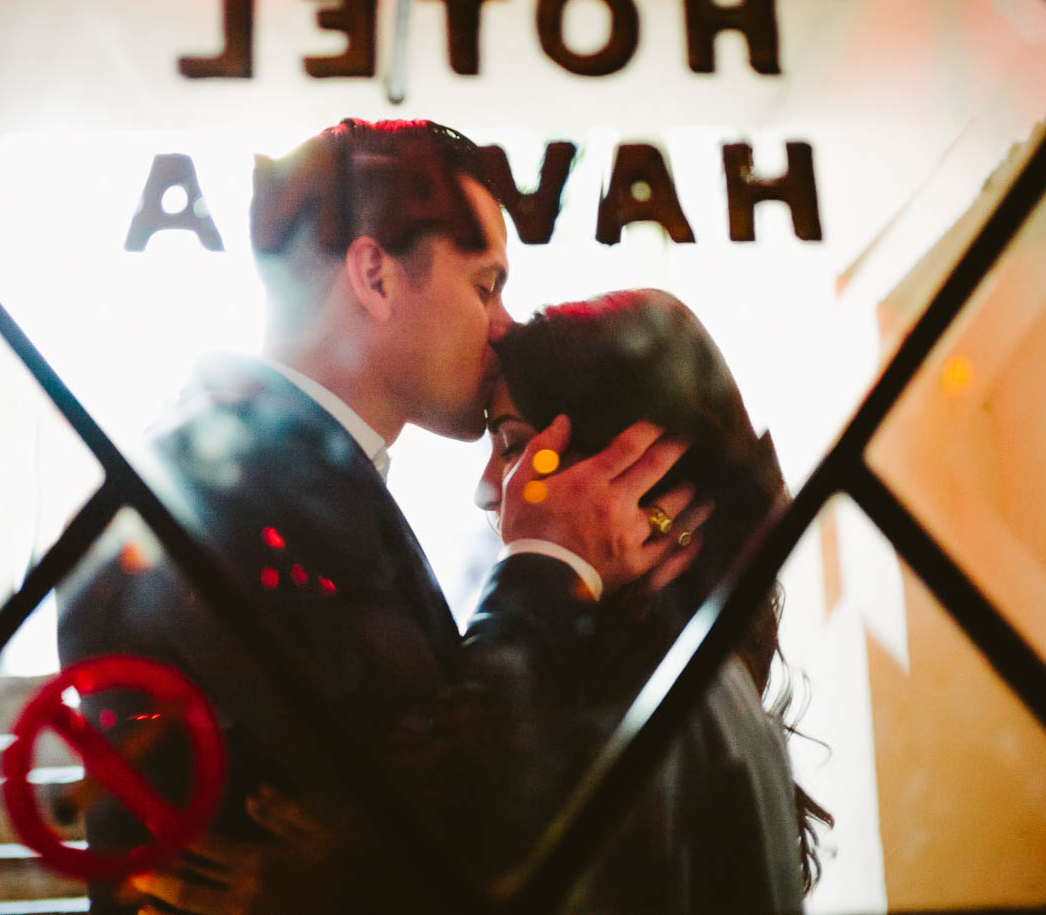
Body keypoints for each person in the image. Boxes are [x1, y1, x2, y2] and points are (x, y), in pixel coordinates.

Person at [55, 120, 701, 915]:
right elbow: (430, 824)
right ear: (375, 275)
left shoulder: (279, 475)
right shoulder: (212, 491)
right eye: (485, 286)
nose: (504, 328)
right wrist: (547, 567)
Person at [468, 287, 833, 912]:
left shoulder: (658, 711)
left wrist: (540, 567)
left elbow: (462, 851)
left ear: (632, 466)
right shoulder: (693, 686)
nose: (485, 489)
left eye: (511, 444)